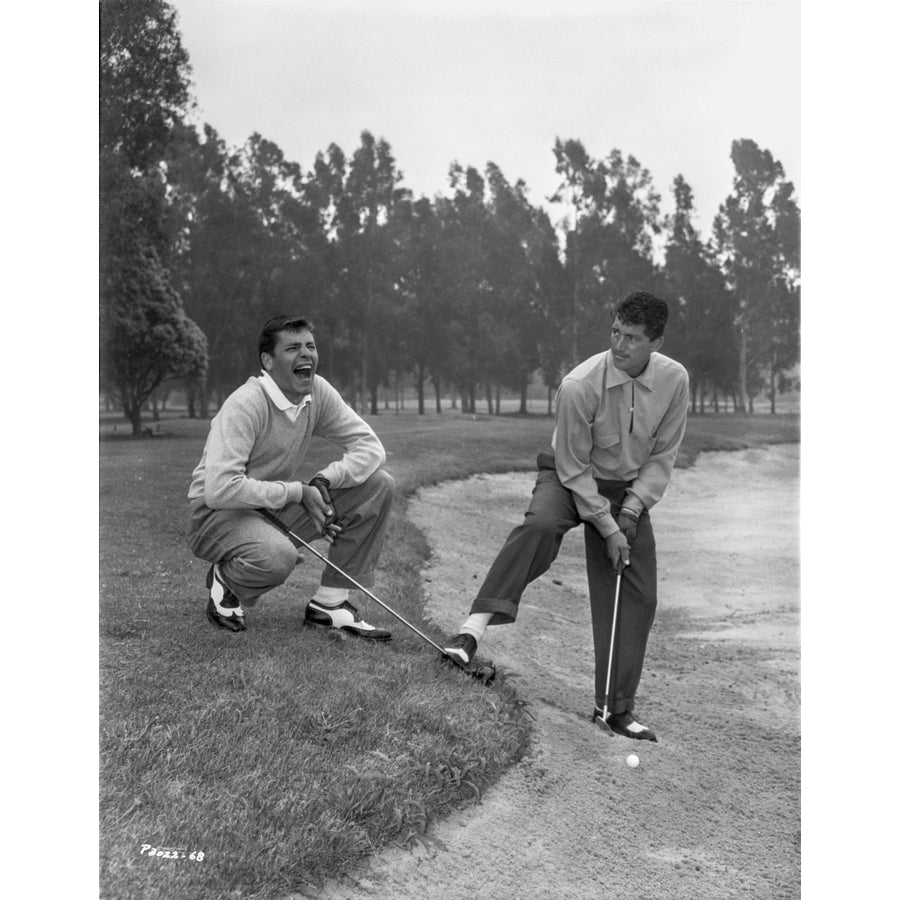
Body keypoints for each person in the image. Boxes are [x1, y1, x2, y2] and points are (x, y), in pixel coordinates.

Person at [443, 291, 689, 742]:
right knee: (539, 526)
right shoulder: (579, 384)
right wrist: (608, 526)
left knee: (639, 590)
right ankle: (469, 633)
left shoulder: (676, 381)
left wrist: (631, 510)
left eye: (632, 338)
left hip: (626, 489)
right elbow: (573, 467)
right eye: (615, 332)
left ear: (656, 342)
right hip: (568, 476)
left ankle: (615, 709)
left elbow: (662, 457)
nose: (619, 346)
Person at [187, 315, 395, 640]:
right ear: (268, 361)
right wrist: (297, 492)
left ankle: (329, 605)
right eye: (293, 348)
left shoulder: (317, 392)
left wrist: (324, 481)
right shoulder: (245, 404)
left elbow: (370, 447)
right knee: (277, 556)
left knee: (378, 485)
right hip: (216, 516)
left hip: (267, 511)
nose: (306, 355)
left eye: (310, 346)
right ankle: (227, 582)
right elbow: (219, 490)